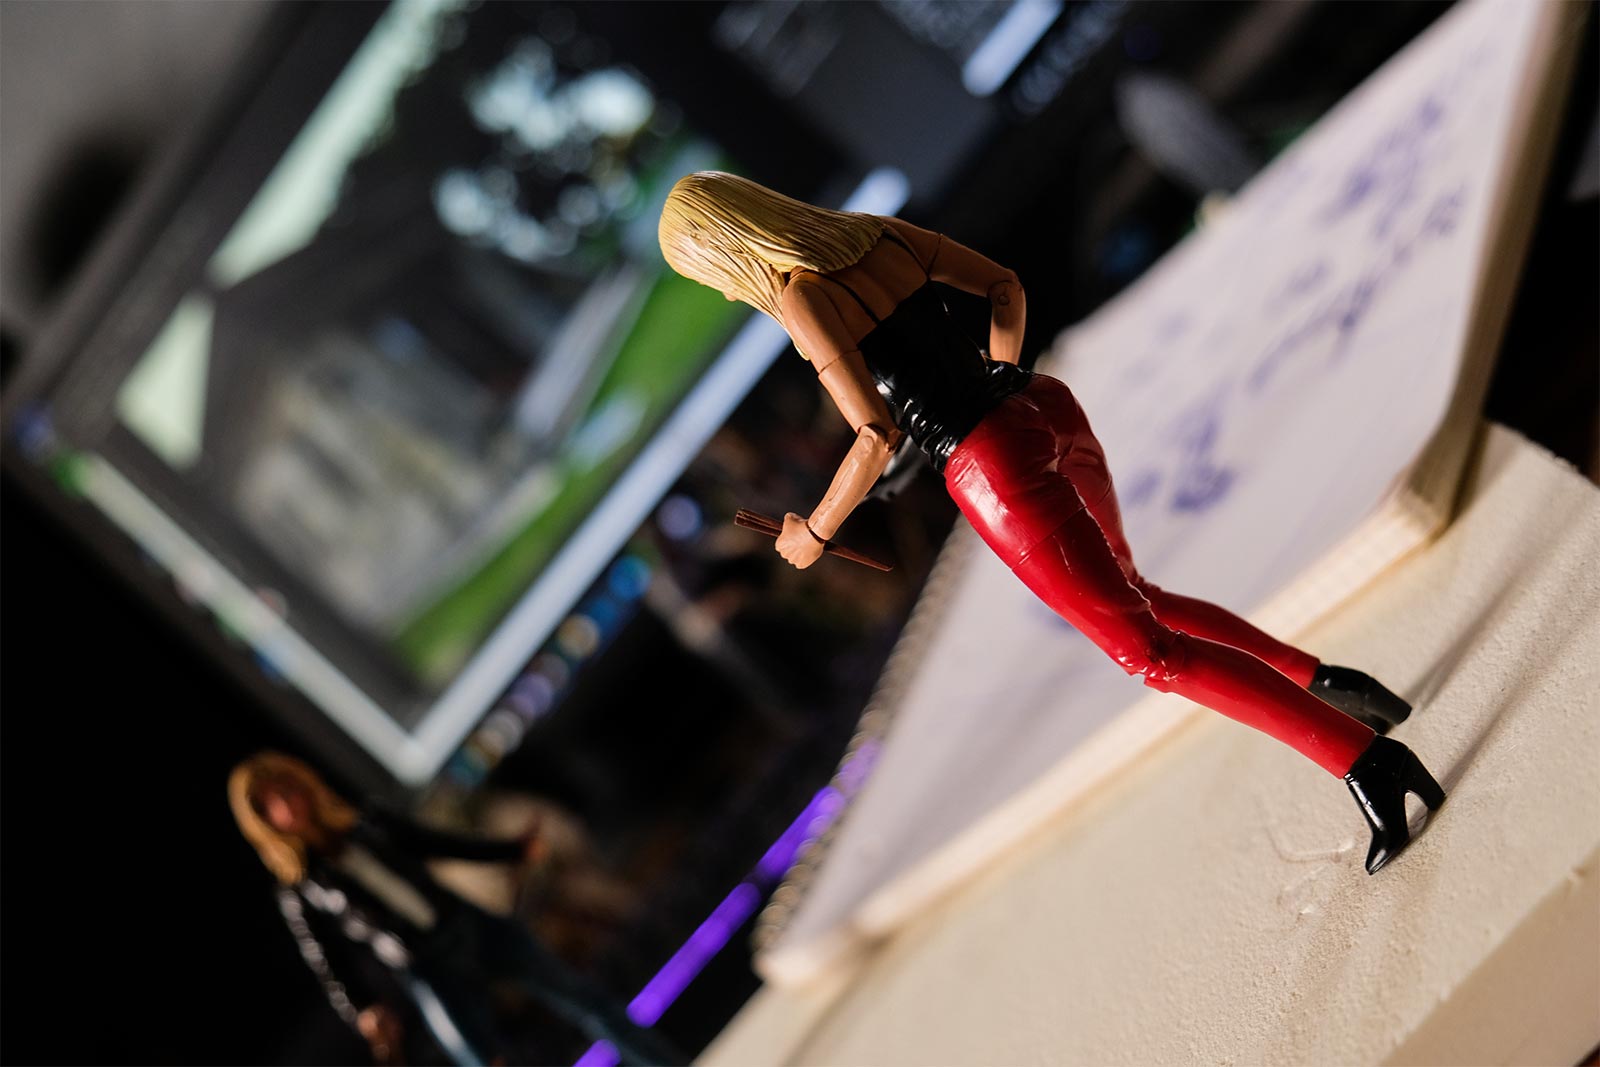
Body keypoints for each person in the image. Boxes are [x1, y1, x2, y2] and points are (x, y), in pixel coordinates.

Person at [658, 171, 1445, 875]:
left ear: (722, 253)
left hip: (992, 467)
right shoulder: (876, 231)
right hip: (1041, 407)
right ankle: (1335, 685)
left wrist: (816, 530)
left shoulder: (802, 297)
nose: (723, 294)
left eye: (708, 276)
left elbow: (873, 433)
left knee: (1150, 654)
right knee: (1138, 592)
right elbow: (1002, 288)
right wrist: (996, 381)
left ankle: (1365, 759)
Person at [228, 752, 681, 1065]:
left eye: (286, 790)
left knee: (585, 1000)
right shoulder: (301, 888)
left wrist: (511, 851)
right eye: (270, 805)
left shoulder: (368, 823)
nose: (286, 806)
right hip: (426, 967)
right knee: (482, 1059)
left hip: (467, 925)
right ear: (263, 822)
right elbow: (327, 959)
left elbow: (437, 843)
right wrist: (361, 1008)